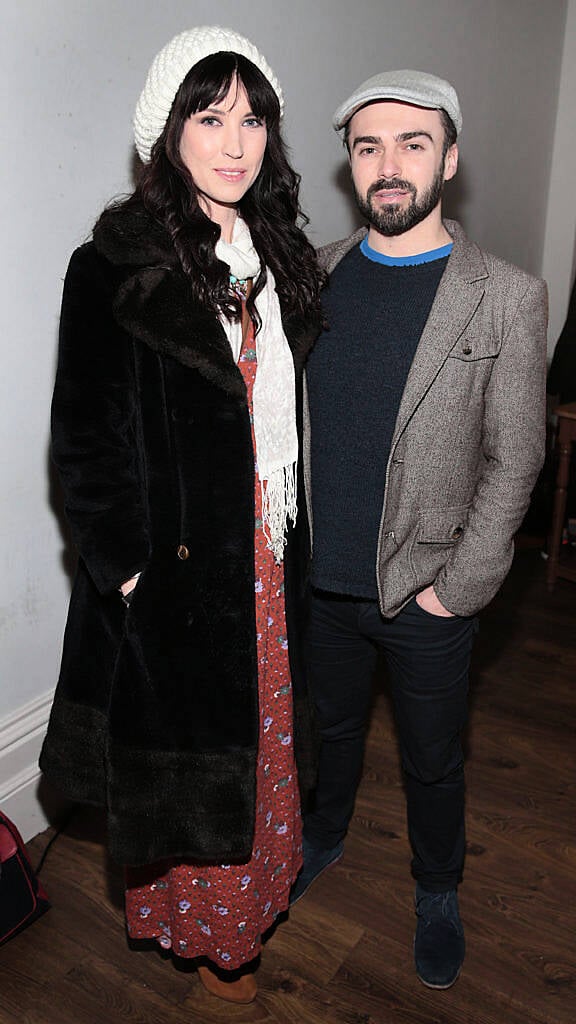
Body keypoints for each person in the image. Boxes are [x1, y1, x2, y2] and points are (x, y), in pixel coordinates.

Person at [40, 26, 324, 1004]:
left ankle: (248, 916)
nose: (235, 141)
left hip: (266, 559)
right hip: (180, 581)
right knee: (194, 772)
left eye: (252, 118)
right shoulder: (113, 268)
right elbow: (83, 444)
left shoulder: (278, 259)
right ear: (169, 130)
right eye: (211, 117)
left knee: (265, 748)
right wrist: (130, 573)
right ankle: (214, 940)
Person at [291, 69, 548, 990]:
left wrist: (459, 589)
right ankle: (322, 835)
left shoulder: (507, 296)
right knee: (330, 733)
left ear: (450, 157)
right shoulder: (312, 276)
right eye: (368, 147)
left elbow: (517, 458)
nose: (389, 165)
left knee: (435, 762)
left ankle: (436, 887)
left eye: (411, 142)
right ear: (351, 166)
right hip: (322, 584)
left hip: (428, 591)